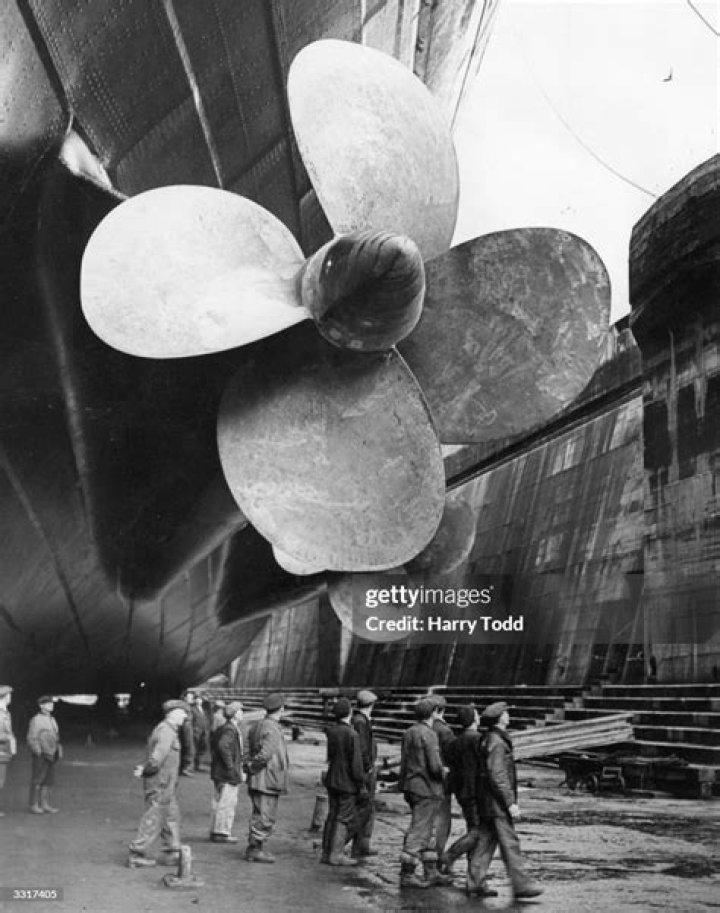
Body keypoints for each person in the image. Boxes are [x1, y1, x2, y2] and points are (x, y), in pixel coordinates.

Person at [474, 702, 543, 900]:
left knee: (485, 842)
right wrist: (510, 803)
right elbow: (497, 775)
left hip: (488, 801)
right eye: (506, 712)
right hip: (496, 803)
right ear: (499, 718)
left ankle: (475, 881)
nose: (508, 715)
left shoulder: (490, 738)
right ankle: (521, 885)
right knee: (509, 842)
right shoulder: (497, 742)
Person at [441, 705, 497, 897]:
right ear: (474, 719)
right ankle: (450, 856)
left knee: (476, 831)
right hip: (476, 792)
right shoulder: (478, 740)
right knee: (478, 832)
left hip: (462, 791)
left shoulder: (455, 742)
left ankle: (476, 880)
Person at [127, 699, 189, 868]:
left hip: (167, 785)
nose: (185, 716)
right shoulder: (166, 731)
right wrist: (146, 770)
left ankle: (171, 851)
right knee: (154, 818)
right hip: (160, 784)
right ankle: (136, 853)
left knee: (171, 815)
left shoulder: (169, 730)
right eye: (183, 712)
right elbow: (156, 759)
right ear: (174, 713)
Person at [397, 698, 448, 888]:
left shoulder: (408, 732)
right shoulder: (430, 734)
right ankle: (407, 873)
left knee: (427, 828)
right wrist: (444, 771)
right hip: (427, 788)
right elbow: (434, 766)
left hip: (411, 785)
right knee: (420, 829)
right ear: (433, 712)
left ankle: (431, 870)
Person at [244, 693, 288, 863]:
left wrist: (248, 766)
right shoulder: (273, 727)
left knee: (258, 812)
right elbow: (265, 755)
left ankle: (254, 847)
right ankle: (255, 849)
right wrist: (253, 767)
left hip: (257, 778)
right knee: (265, 815)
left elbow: (247, 749)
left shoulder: (257, 725)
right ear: (281, 709)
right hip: (267, 778)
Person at [321, 697, 365, 866]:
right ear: (350, 713)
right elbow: (356, 764)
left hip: (332, 778)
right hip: (347, 781)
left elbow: (330, 756)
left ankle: (326, 852)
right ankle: (336, 854)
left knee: (332, 814)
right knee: (343, 817)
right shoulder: (352, 734)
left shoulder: (332, 731)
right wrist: (360, 783)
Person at [209, 701, 245, 843]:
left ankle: (215, 830)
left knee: (218, 801)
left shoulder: (224, 727)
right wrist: (231, 767)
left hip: (219, 772)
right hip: (227, 774)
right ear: (235, 714)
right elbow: (223, 746)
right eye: (240, 711)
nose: (242, 713)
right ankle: (222, 833)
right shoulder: (231, 729)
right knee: (227, 802)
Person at [350, 689, 379, 859]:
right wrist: (367, 767)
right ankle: (358, 845)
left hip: (364, 769)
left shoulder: (360, 719)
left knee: (367, 808)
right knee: (364, 808)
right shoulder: (361, 721)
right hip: (365, 771)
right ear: (371, 705)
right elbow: (361, 749)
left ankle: (362, 844)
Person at [428, 694, 455, 862]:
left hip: (425, 782)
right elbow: (452, 758)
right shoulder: (445, 731)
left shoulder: (424, 728)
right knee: (442, 822)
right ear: (441, 710)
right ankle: (437, 857)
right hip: (442, 782)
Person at [27, 696, 62, 814]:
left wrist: (57, 749)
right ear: (41, 706)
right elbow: (32, 737)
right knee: (37, 779)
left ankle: (45, 804)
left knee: (48, 780)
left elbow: (55, 736)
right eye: (48, 703)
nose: (51, 705)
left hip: (51, 753)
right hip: (41, 754)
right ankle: (34, 804)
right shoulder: (36, 720)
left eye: (52, 703)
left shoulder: (52, 719)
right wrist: (38, 751)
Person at [0, 686, 16, 815]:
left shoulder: (6, 712)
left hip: (4, 750)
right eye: (9, 695)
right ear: (4, 697)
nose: (11, 697)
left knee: (1, 780)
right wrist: (9, 738)